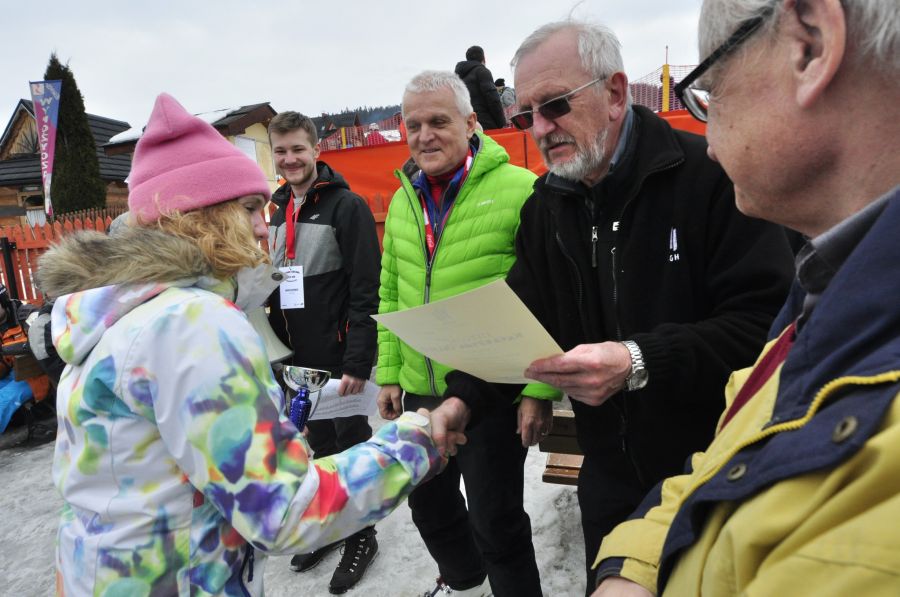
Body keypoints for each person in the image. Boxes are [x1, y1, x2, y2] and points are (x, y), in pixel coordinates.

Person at [431, 19, 796, 594]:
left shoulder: (712, 177)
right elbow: (523, 322)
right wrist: (463, 398)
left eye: (553, 106)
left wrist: (639, 360)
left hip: (722, 475)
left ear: (616, 92)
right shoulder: (547, 207)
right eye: (526, 116)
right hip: (608, 483)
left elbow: (770, 328)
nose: (540, 129)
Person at [38, 93, 443, 596]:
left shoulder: (116, 312)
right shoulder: (191, 325)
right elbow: (284, 509)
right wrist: (417, 438)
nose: (260, 225)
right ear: (198, 214)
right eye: (250, 207)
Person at [592, 1, 900, 595]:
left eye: (711, 90)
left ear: (809, 45)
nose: (708, 139)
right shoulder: (828, 285)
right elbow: (727, 458)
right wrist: (633, 565)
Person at [376, 70, 555, 597]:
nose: (424, 135)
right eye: (413, 124)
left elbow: (545, 297)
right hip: (418, 383)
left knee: (496, 519)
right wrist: (389, 372)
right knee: (428, 506)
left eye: (438, 121)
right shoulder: (404, 196)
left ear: (471, 121)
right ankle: (465, 581)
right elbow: (391, 289)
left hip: (490, 387)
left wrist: (539, 389)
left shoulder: (521, 189)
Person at [265, 109, 383, 593]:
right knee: (318, 445)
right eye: (281, 151)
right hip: (295, 361)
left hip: (337, 357)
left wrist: (358, 360)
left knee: (351, 442)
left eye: (298, 149)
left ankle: (363, 534)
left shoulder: (345, 206)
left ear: (316, 150)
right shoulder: (274, 209)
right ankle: (336, 525)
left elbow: (366, 289)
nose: (290, 159)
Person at [0, 285, 50, 434]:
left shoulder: (29, 316)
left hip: (38, 374)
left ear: (2, 301)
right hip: (12, 373)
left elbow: (50, 350)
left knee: (3, 399)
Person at [455, 45, 507, 130]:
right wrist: (502, 123)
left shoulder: (458, 78)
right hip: (485, 124)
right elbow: (493, 100)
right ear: (484, 58)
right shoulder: (482, 71)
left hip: (466, 126)